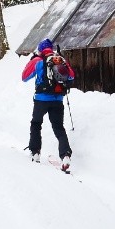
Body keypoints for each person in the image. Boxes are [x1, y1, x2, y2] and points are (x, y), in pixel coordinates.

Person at [21, 38, 74, 169]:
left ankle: (35, 152)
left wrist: (33, 60)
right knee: (59, 128)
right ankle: (65, 155)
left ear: (40, 50)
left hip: (41, 100)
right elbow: (71, 76)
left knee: (36, 124)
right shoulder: (60, 60)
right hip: (57, 100)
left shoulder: (38, 61)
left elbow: (24, 77)